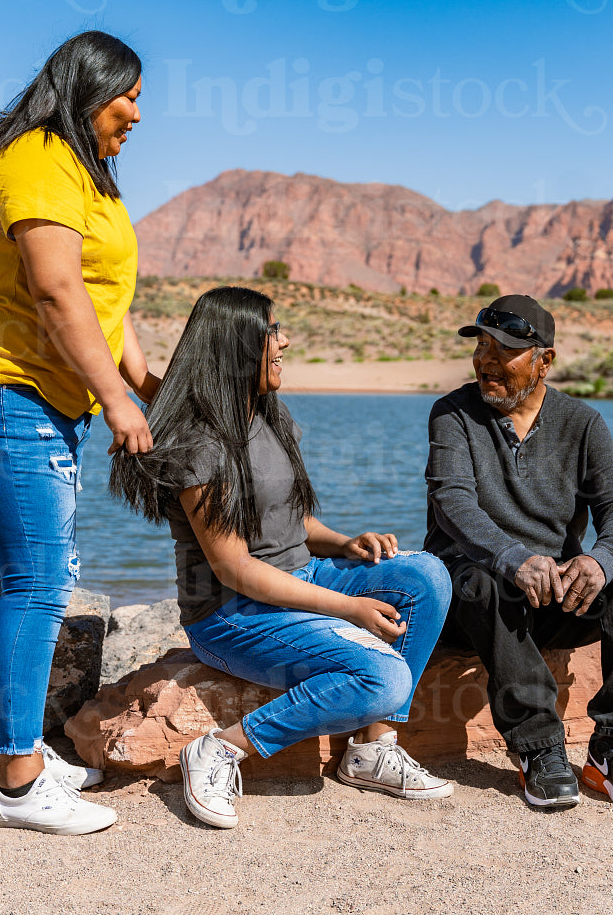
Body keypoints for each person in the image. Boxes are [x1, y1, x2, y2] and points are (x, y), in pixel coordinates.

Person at [110, 286, 454, 829]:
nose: (285, 341)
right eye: (272, 331)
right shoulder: (199, 445)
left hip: (301, 576)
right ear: (237, 346)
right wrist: (348, 609)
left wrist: (342, 543)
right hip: (231, 616)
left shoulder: (269, 415)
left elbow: (292, 520)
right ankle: (220, 749)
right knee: (383, 677)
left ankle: (372, 748)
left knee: (426, 575)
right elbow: (236, 569)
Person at [0, 31, 159, 835]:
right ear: (86, 89)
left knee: (8, 579)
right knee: (38, 579)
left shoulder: (89, 177)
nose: (137, 112)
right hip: (2, 390)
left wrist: (147, 384)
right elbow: (58, 294)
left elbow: (107, 299)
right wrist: (118, 403)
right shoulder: (37, 161)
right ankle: (22, 787)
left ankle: (5, 748)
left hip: (38, 399)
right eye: (126, 94)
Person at [424, 294, 613, 810]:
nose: (486, 360)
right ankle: (538, 748)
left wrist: (600, 562)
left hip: (553, 599)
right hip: (476, 601)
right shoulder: (452, 414)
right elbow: (453, 503)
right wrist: (512, 558)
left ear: (545, 361)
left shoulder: (582, 423)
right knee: (480, 579)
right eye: (482, 347)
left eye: (504, 351)